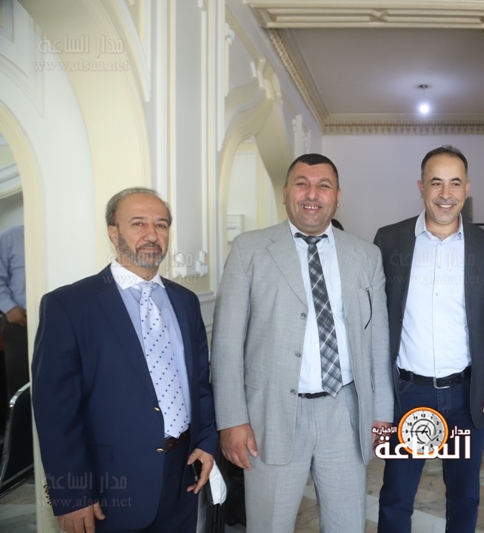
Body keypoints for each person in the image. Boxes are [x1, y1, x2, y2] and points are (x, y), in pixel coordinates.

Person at [211, 153, 393, 532]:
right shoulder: (249, 250)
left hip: (345, 412)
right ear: (285, 193)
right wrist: (231, 420)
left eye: (323, 186)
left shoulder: (365, 255)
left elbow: (377, 341)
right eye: (302, 184)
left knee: (347, 525)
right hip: (271, 416)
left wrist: (382, 413)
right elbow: (226, 344)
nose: (312, 194)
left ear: (337, 196)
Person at [31, 188, 218, 533]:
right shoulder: (69, 306)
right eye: (138, 223)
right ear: (113, 232)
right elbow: (56, 413)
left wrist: (207, 443)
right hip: (111, 487)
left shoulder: (185, 301)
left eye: (161, 224)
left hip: (183, 476)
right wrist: (72, 494)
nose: (152, 235)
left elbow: (199, 384)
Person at [374, 145, 484, 532]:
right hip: (408, 395)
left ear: (467, 188)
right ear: (421, 187)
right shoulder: (390, 240)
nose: (445, 194)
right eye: (436, 183)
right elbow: (374, 319)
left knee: (464, 495)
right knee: (397, 494)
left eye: (454, 183)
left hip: (466, 396)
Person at [0, 225, 28, 401]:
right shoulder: (10, 237)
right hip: (20, 323)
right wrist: (9, 308)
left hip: (56, 321)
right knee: (21, 387)